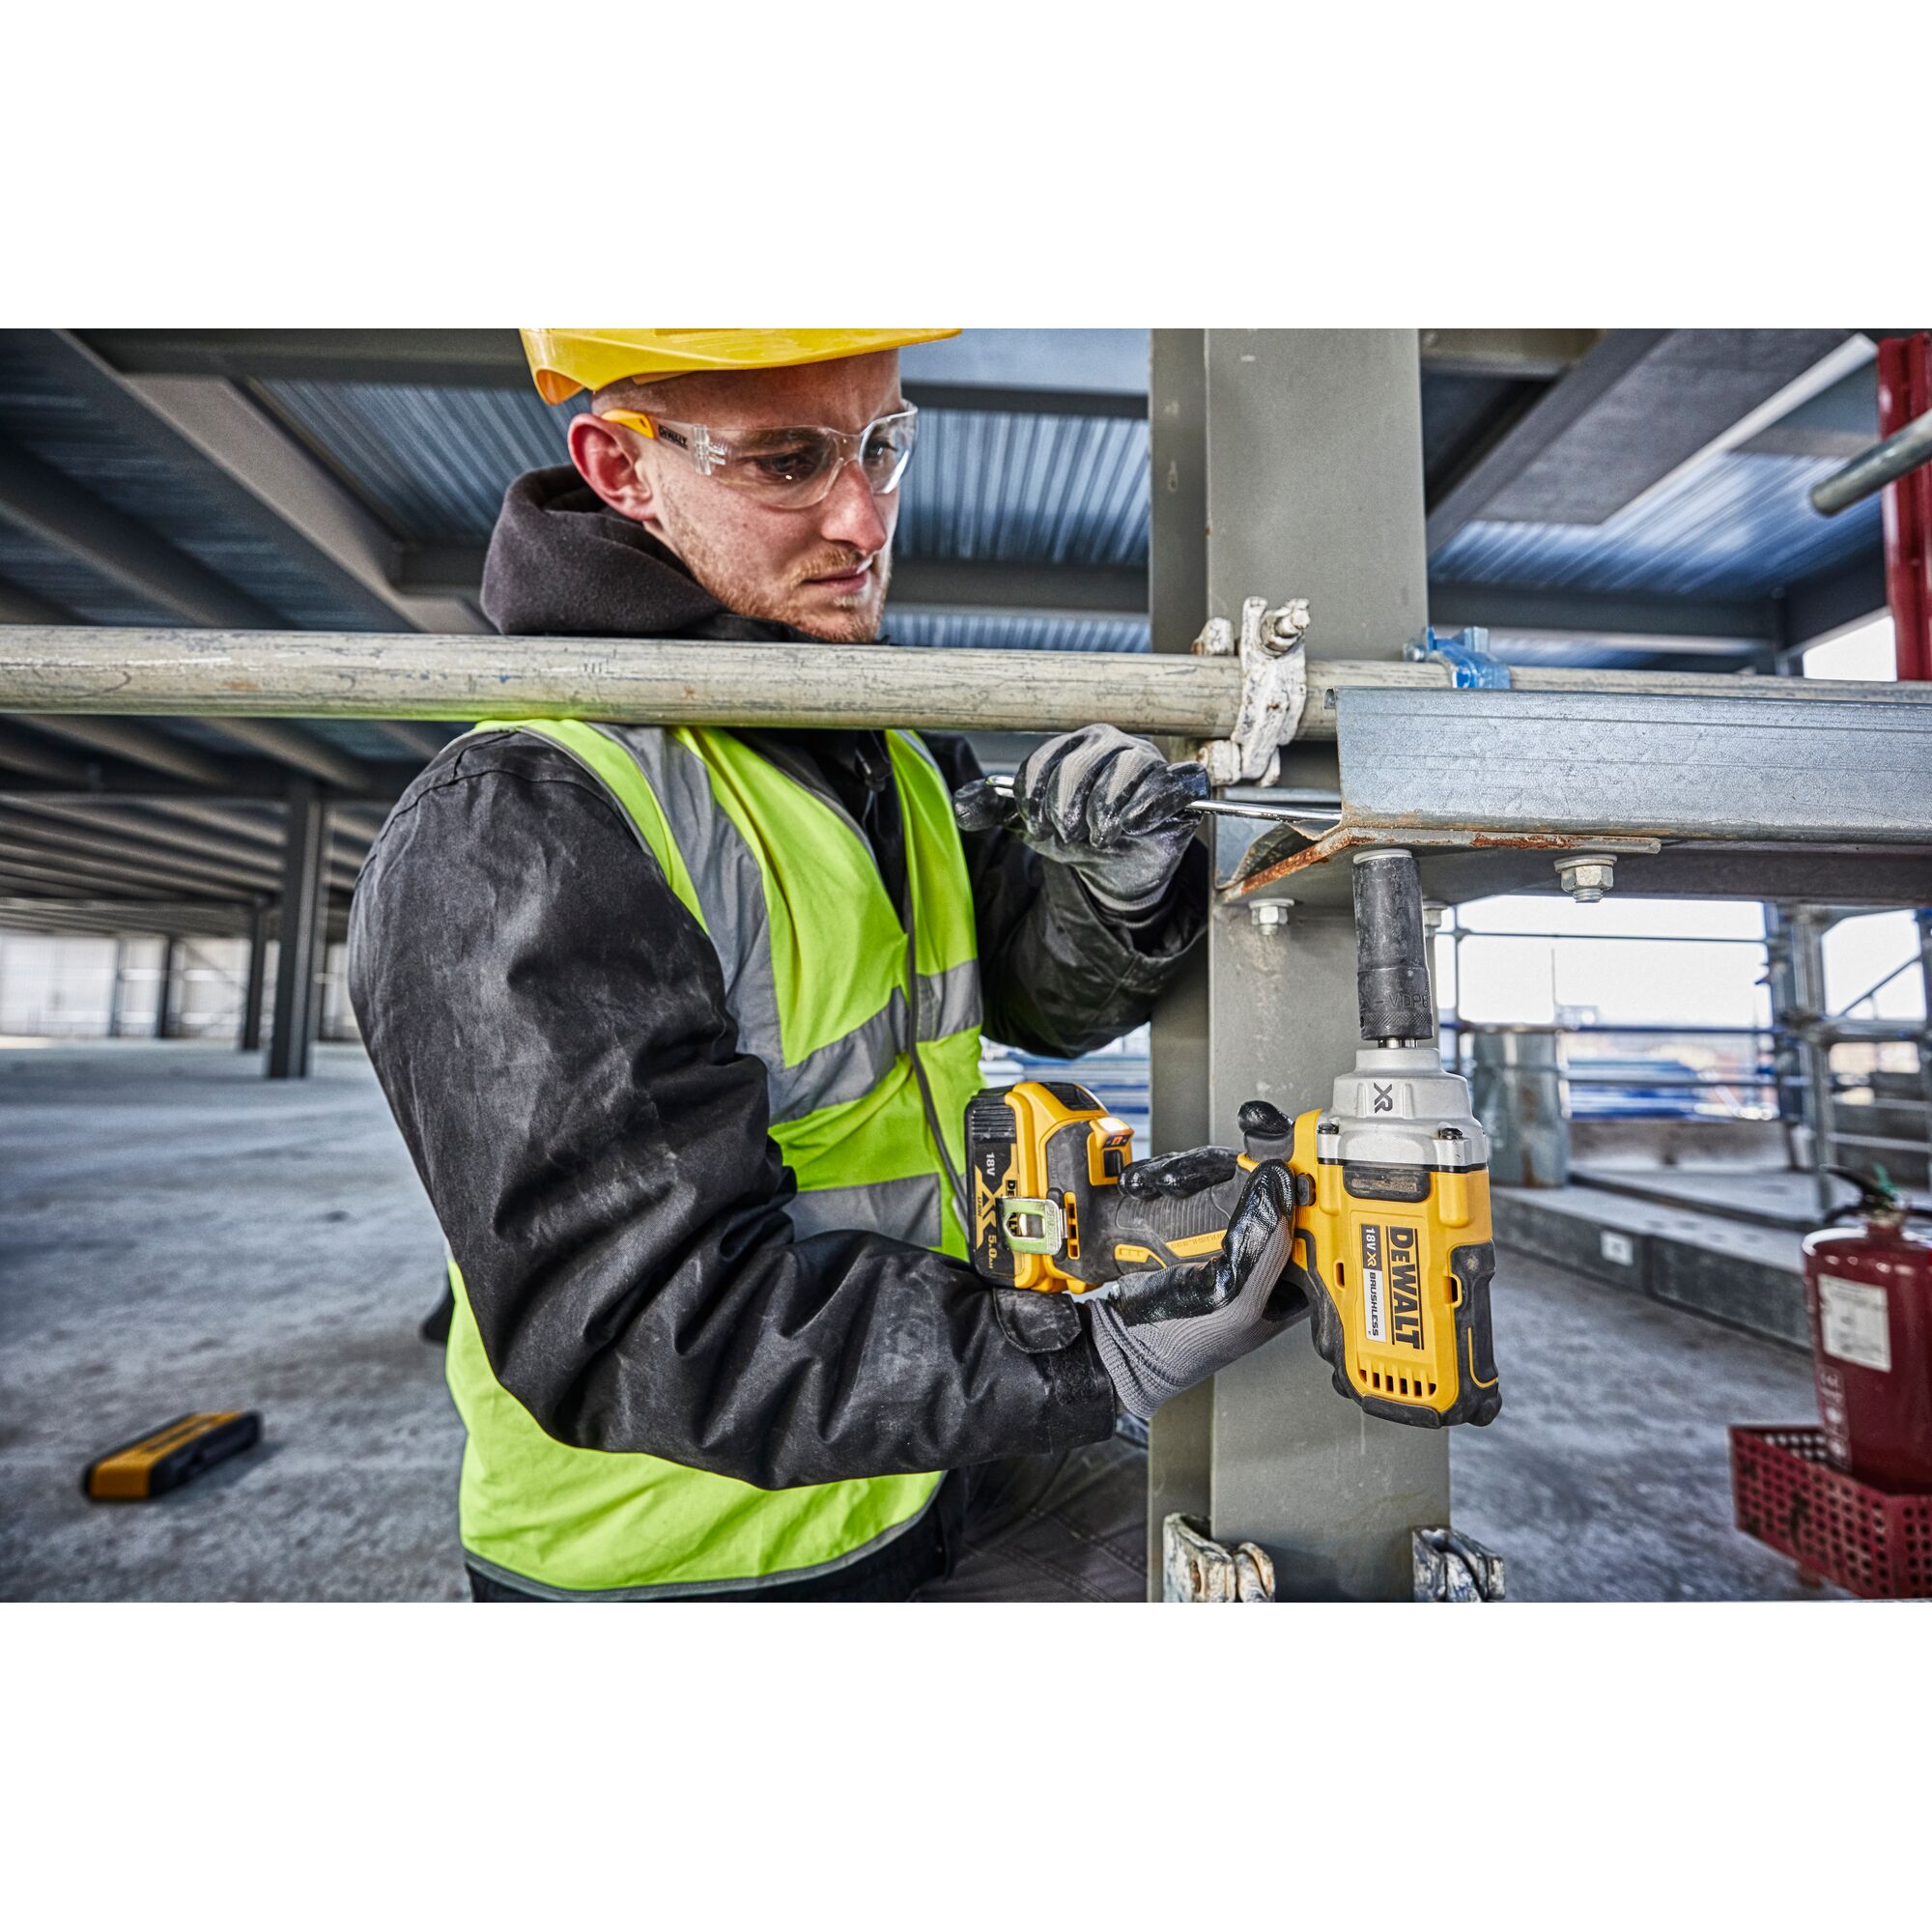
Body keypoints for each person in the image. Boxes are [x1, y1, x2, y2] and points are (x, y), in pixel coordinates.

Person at [350, 328, 1304, 1603]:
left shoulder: (888, 745)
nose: (863, 517)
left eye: (883, 446)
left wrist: (1114, 889)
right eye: (787, 461)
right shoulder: (526, 815)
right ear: (620, 470)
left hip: (929, 1453)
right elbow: (638, 1328)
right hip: (689, 1558)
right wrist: (1079, 1357)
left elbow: (1032, 1004)